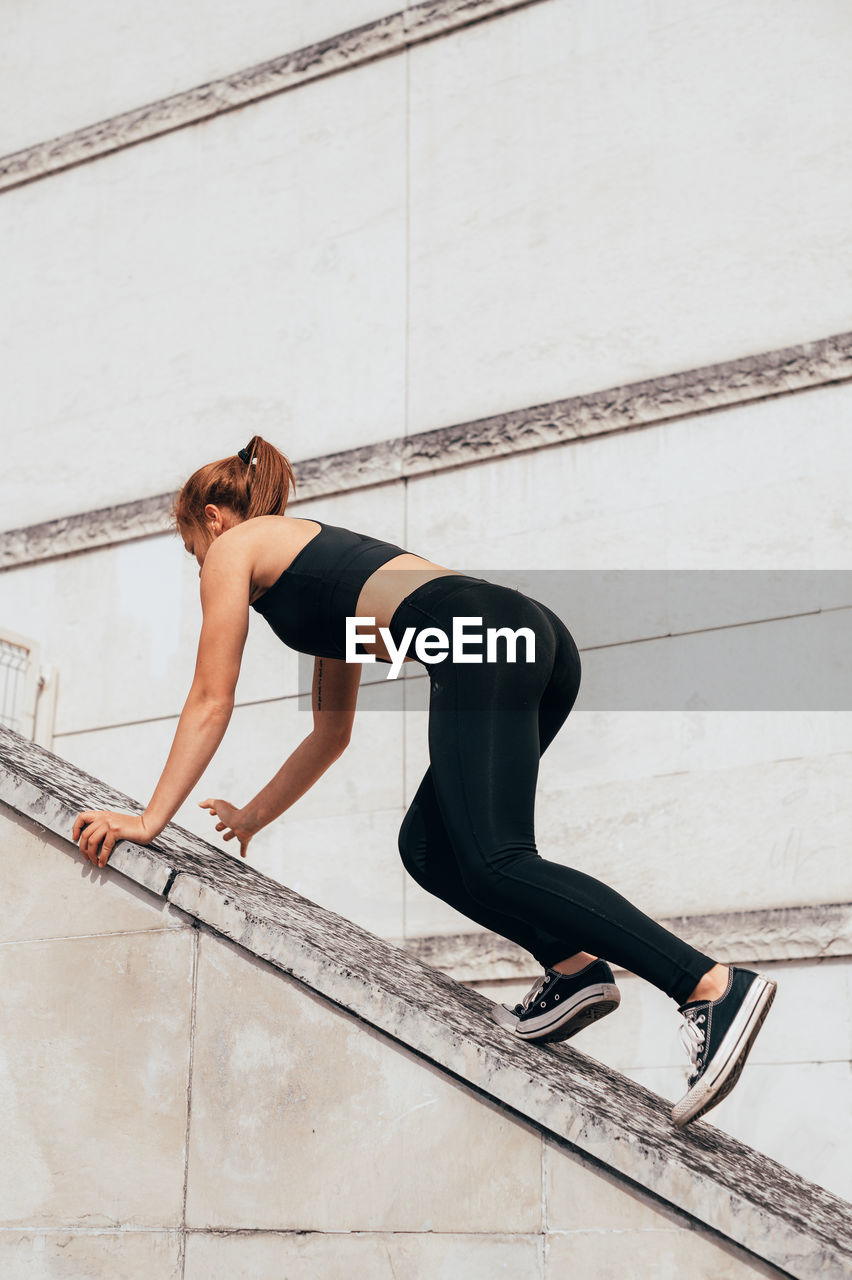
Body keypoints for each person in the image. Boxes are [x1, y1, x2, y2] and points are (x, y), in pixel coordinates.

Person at [72, 436, 776, 1127]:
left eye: (187, 539)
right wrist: (255, 815)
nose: (194, 557)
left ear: (213, 517)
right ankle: (574, 969)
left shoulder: (235, 547)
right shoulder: (314, 570)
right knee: (431, 849)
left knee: (499, 861)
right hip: (530, 638)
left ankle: (709, 986)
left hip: (485, 639)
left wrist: (146, 818)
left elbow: (209, 697)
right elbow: (331, 732)